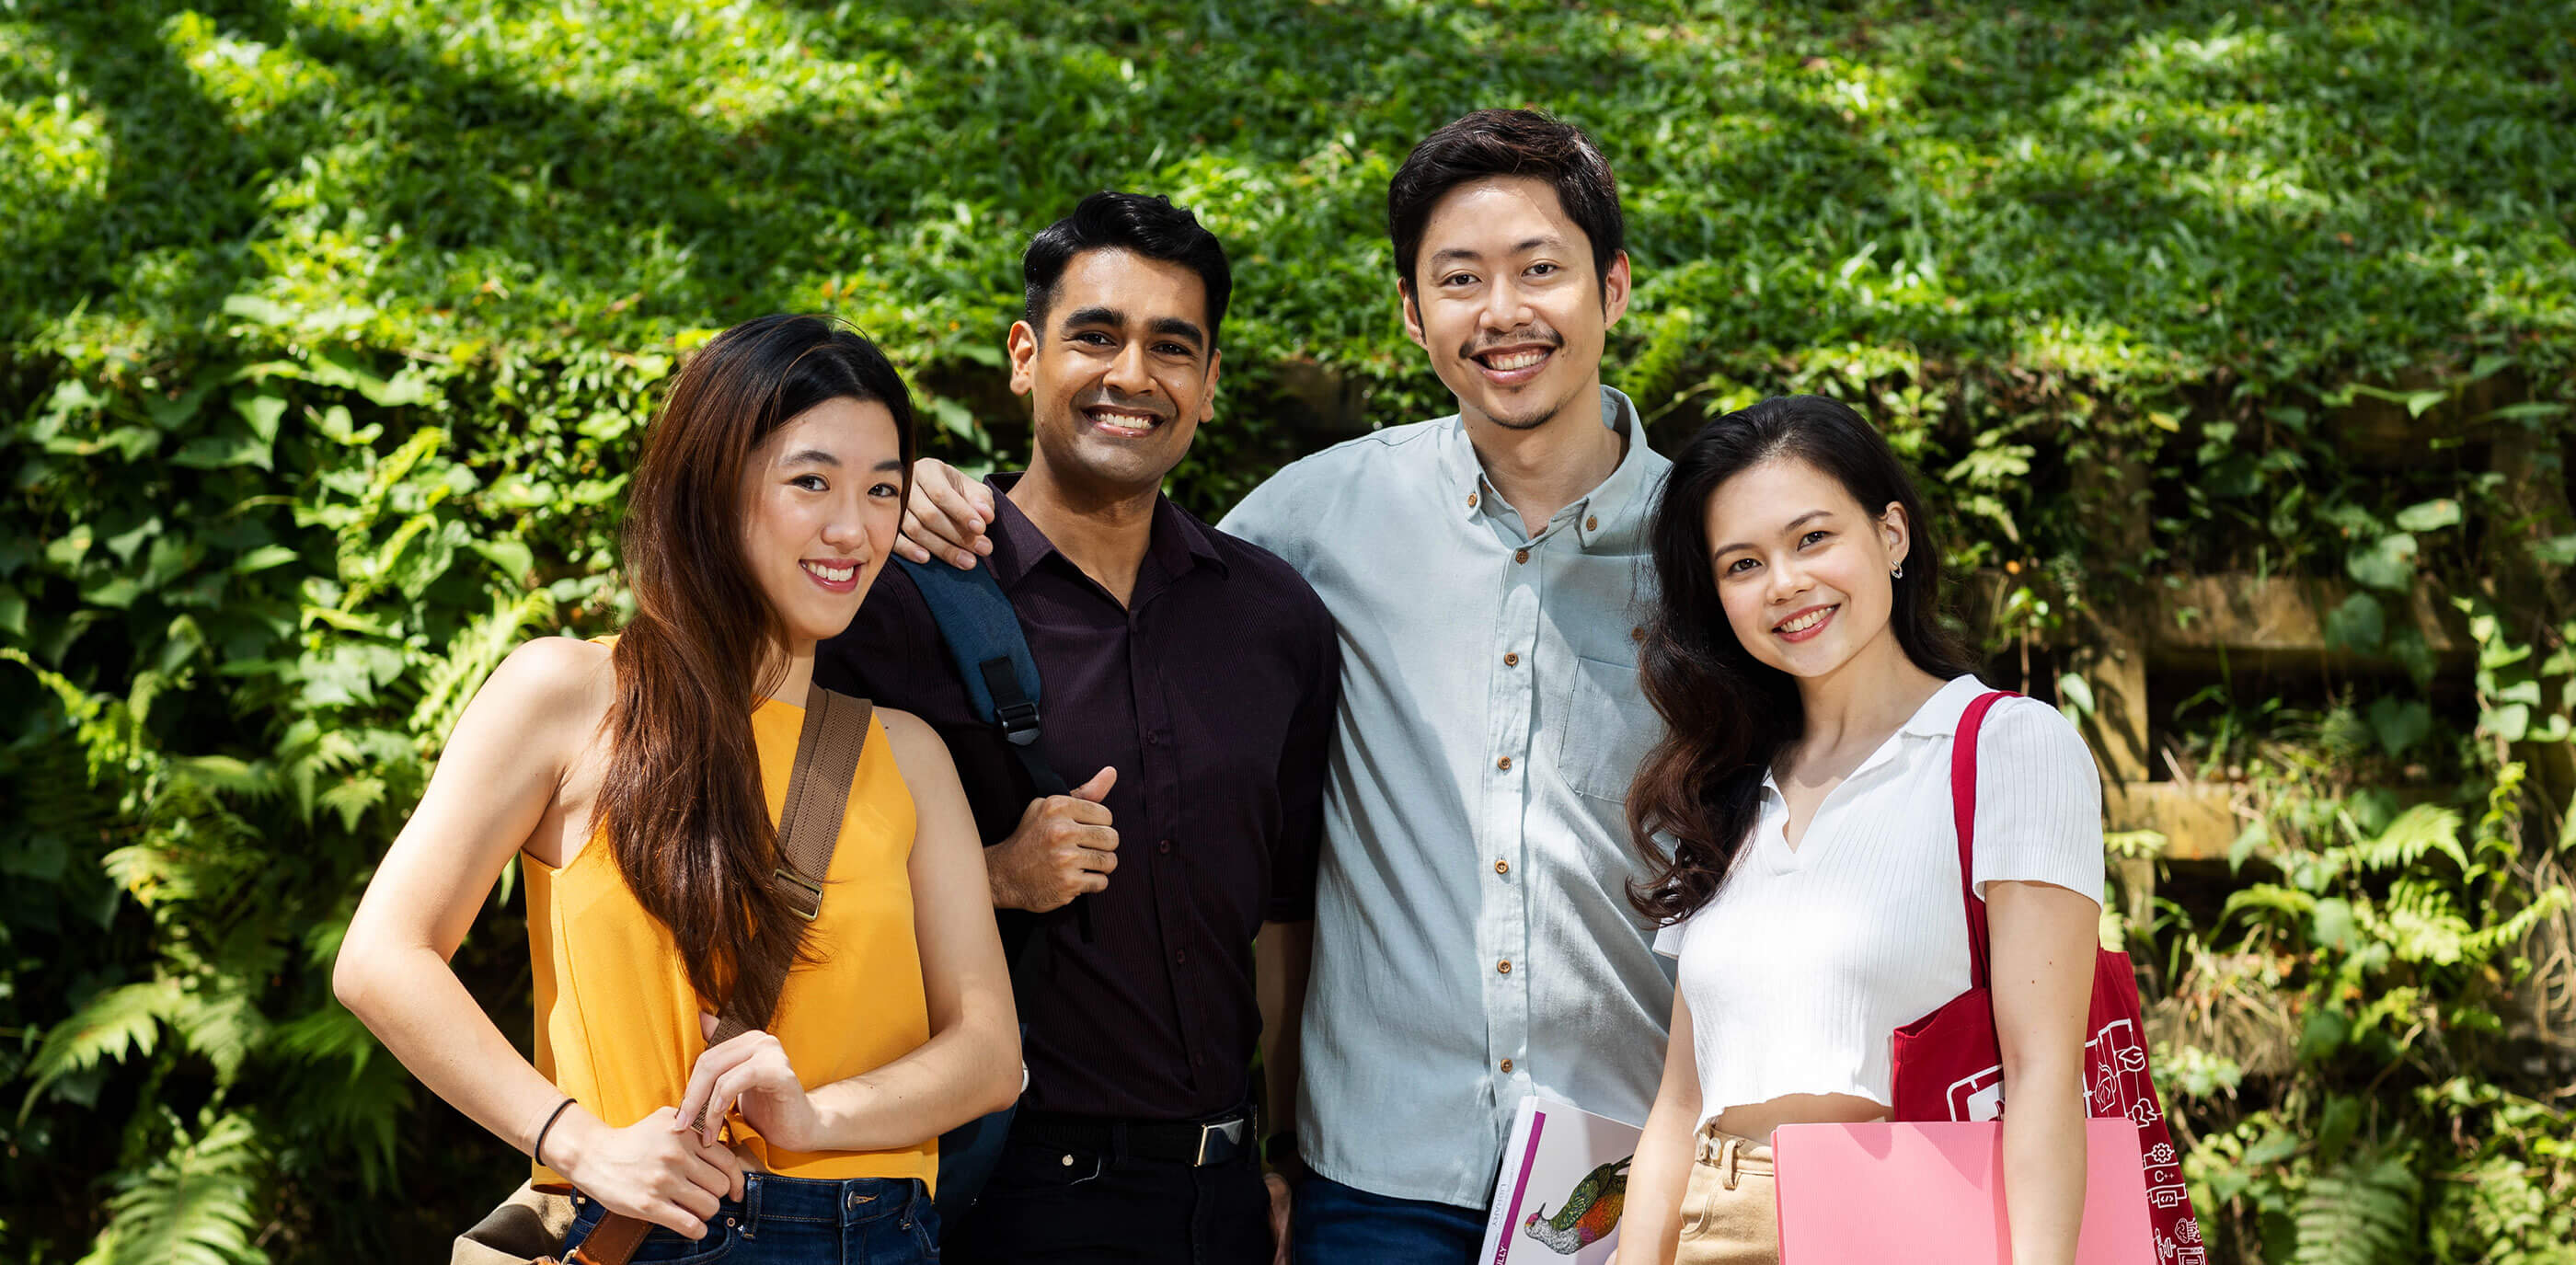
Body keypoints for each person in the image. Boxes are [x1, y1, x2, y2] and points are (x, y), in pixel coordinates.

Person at [901, 109, 1675, 1264]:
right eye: (1460, 278)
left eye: (1541, 270)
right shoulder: (1315, 521)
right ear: (1413, 315)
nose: (1503, 312)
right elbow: (1109, 542)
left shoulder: (1715, 550)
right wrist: (899, 495)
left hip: (1624, 1164)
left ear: (1611, 288)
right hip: (1374, 1180)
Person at [334, 315, 1022, 1264]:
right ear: (712, 490)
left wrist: (816, 1116)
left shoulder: (905, 754)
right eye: (810, 481)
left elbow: (989, 1052)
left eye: (881, 492)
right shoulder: (568, 695)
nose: (850, 528)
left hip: (876, 1235)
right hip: (651, 1229)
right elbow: (381, 955)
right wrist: (578, 1141)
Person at [820, 192, 1335, 1265]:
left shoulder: (1275, 618)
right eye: (1094, 336)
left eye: (1171, 347)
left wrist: (1283, 1155)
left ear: (1209, 382)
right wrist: (993, 877)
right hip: (1000, 1197)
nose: (1131, 376)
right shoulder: (897, 600)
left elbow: (1284, 919)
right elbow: (777, 886)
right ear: (1024, 355)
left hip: (1229, 1202)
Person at [1612, 395, 2105, 1265]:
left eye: (1812, 538)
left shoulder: (2005, 746)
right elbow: (1681, 1103)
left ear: (1892, 535)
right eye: (1742, 564)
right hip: (1713, 1221)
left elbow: (2042, 1077)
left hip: (1910, 1222)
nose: (1785, 584)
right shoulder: (1721, 786)